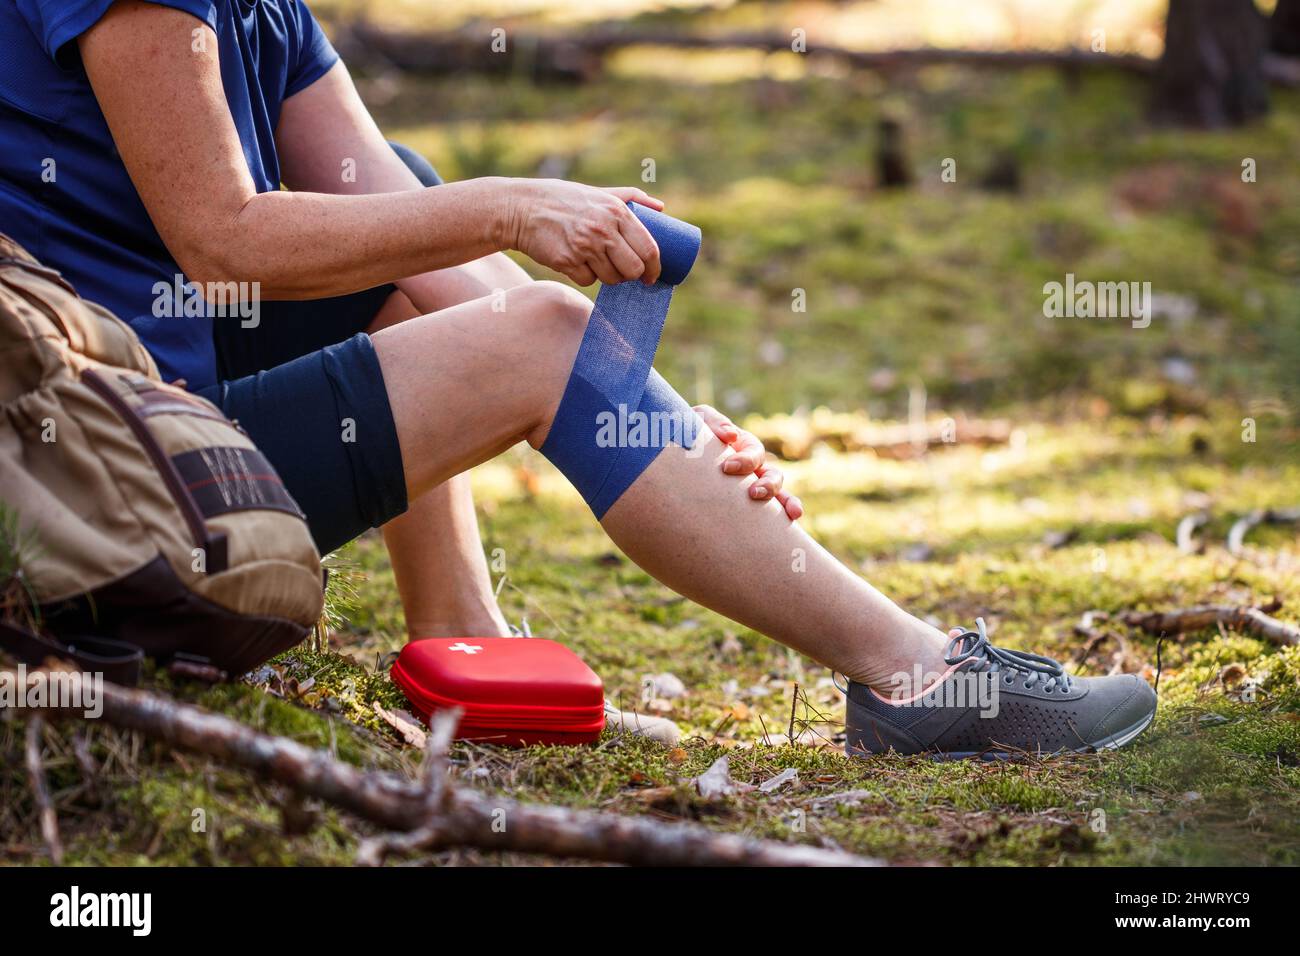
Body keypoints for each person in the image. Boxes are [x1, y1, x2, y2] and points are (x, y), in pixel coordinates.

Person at [0, 0, 1156, 756]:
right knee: (532, 323)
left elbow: (384, 210)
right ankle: (915, 681)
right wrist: (518, 215)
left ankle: (461, 633)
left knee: (405, 197)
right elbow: (225, 236)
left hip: (154, 410)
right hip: (96, 491)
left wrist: (639, 403)